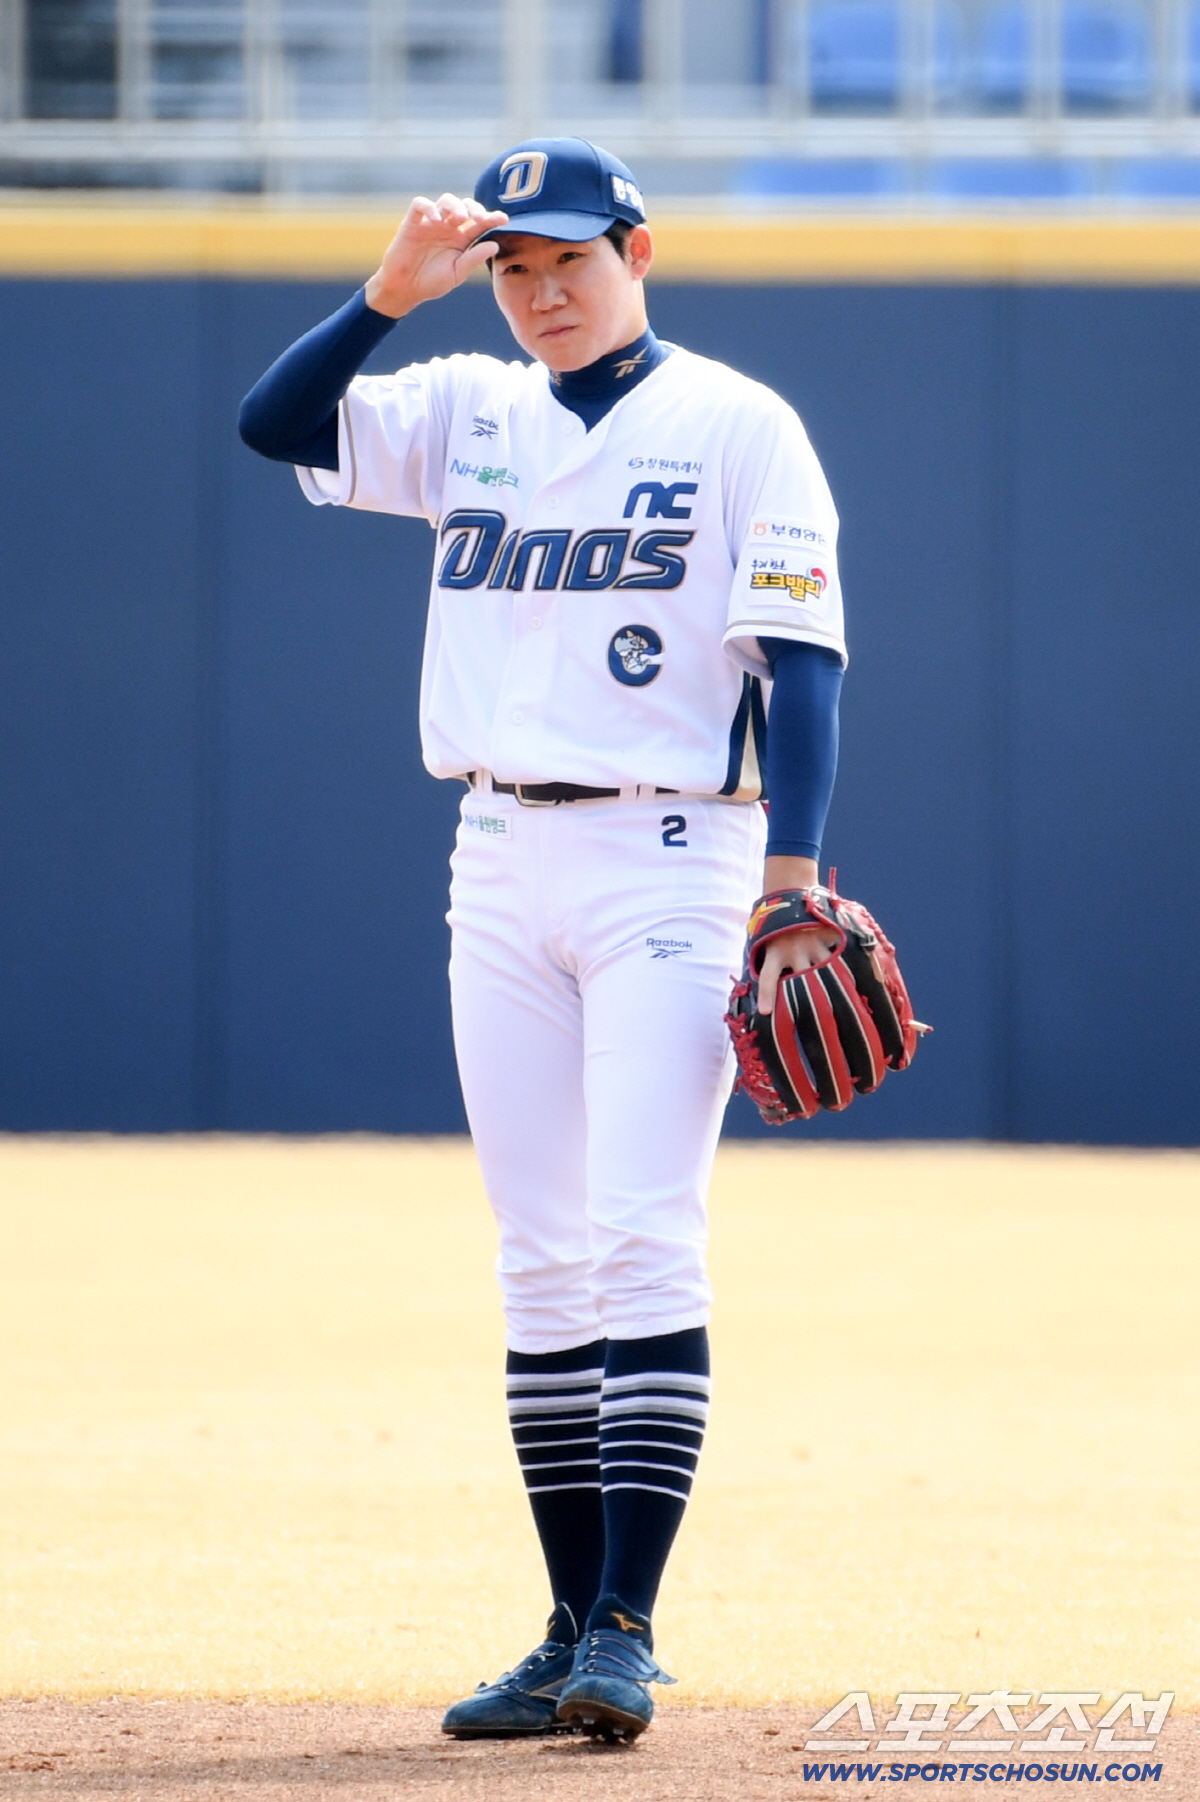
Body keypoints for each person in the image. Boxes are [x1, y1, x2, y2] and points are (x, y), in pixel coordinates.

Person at [239, 136, 846, 1743]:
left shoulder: (739, 424)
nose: (541, 291)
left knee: (643, 1232)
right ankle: (569, 1623)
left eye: (570, 259)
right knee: (538, 1252)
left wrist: (790, 878)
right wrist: (388, 295)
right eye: (514, 267)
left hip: (674, 855)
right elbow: (273, 426)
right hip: (499, 850)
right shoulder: (466, 407)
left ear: (638, 252)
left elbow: (802, 663)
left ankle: (628, 1627)